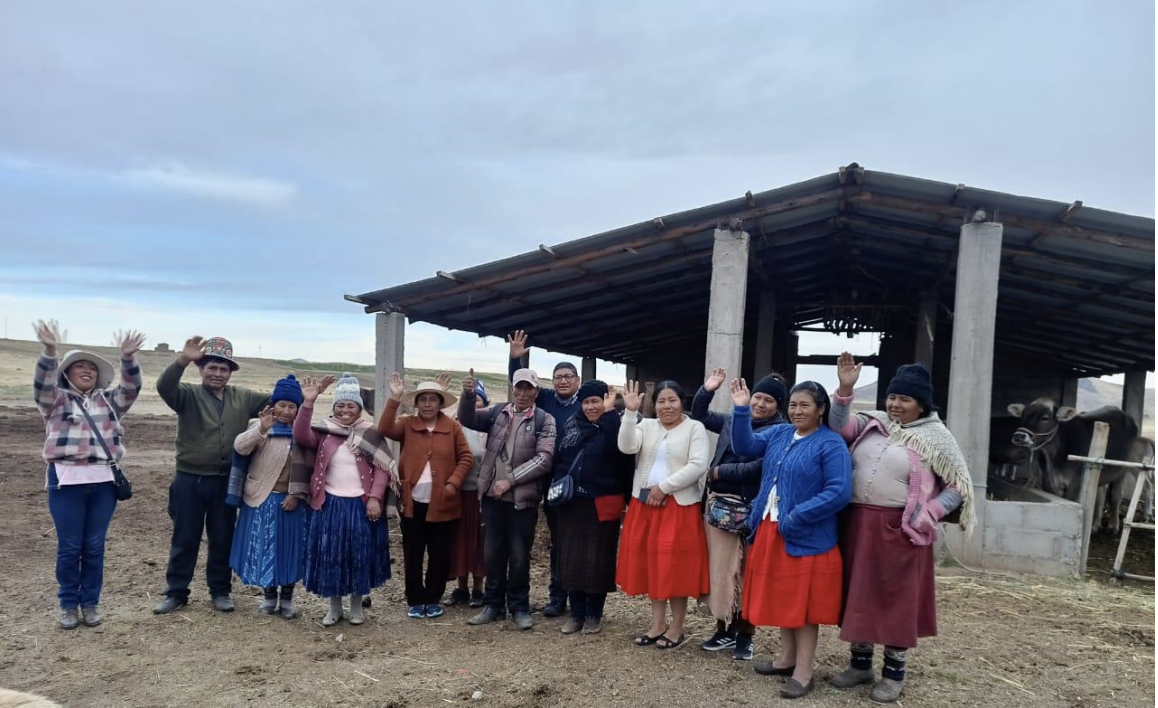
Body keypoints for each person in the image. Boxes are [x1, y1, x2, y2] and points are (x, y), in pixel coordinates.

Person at [826, 355, 974, 703]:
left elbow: (957, 487)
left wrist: (928, 514)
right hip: (859, 524)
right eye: (892, 397)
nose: (895, 405)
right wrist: (845, 389)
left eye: (905, 399)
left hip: (901, 530)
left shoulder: (937, 439)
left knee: (896, 600)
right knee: (859, 594)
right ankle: (860, 664)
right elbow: (837, 426)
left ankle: (894, 673)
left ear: (922, 404)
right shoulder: (873, 423)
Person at [731, 378, 852, 699]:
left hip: (806, 535)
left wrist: (799, 514)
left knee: (804, 604)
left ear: (821, 410)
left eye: (805, 405)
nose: (797, 411)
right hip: (771, 529)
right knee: (784, 597)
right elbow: (744, 447)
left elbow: (839, 491)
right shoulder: (781, 433)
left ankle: (804, 669)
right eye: (793, 405)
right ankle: (786, 658)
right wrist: (742, 410)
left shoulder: (830, 444)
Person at [33, 320, 145, 629]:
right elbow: (42, 384)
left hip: (103, 484)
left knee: (94, 547)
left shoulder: (109, 402)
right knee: (70, 547)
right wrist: (50, 351)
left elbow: (132, 388)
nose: (87, 370)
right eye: (79, 366)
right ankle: (68, 604)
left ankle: (90, 603)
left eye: (92, 368)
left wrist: (127, 359)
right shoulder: (56, 401)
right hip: (65, 481)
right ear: (66, 373)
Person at [153, 336, 268, 615]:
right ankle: (176, 592)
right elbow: (164, 387)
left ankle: (220, 591)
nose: (218, 374)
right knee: (185, 538)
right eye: (212, 368)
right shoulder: (186, 395)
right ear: (201, 369)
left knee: (222, 537)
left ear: (230, 373)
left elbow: (278, 400)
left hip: (227, 481)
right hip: (189, 479)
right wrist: (182, 359)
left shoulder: (242, 397)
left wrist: (301, 394)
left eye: (223, 369)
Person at [692, 368, 789, 661]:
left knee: (748, 573)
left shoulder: (780, 431)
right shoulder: (734, 417)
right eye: (757, 397)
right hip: (722, 505)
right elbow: (700, 415)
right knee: (721, 570)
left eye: (768, 401)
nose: (760, 404)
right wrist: (707, 390)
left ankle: (745, 635)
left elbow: (758, 466)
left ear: (778, 406)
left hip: (754, 507)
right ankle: (723, 629)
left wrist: (719, 471)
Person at [458, 367, 556, 630]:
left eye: (529, 388)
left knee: (520, 555)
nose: (523, 393)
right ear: (513, 388)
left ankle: (520, 607)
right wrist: (467, 396)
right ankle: (493, 605)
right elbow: (467, 418)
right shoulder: (497, 412)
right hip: (492, 497)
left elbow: (544, 459)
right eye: (519, 387)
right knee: (493, 553)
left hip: (523, 500)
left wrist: (510, 481)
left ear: (536, 391)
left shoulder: (545, 420)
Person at [616, 379, 710, 650]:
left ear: (682, 402)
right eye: (661, 401)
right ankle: (657, 624)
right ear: (654, 404)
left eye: (672, 400)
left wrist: (664, 488)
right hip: (645, 507)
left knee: (675, 568)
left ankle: (677, 626)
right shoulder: (645, 425)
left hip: (678, 508)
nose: (667, 406)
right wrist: (631, 413)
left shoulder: (695, 428)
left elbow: (698, 465)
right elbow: (626, 447)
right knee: (653, 566)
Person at [295, 374, 395, 626]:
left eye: (351, 406)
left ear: (359, 409)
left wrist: (375, 498)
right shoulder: (323, 432)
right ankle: (334, 607)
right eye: (340, 405)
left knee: (359, 556)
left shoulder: (370, 434)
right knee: (332, 556)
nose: (344, 410)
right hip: (330, 504)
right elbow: (300, 435)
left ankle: (356, 606)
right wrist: (307, 403)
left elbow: (383, 469)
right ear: (333, 408)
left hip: (361, 505)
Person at [378, 372, 473, 619]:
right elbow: (384, 428)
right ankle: (414, 599)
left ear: (440, 403)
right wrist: (395, 398)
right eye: (423, 400)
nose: (428, 404)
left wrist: (453, 484)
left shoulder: (452, 427)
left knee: (440, 554)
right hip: (412, 503)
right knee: (413, 553)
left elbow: (466, 458)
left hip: (444, 503)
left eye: (433, 399)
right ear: (416, 403)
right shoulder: (408, 424)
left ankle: (433, 598)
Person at [507, 330, 580, 618]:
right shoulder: (546, 399)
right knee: (558, 540)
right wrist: (515, 360)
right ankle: (557, 596)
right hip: (552, 483)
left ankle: (580, 597)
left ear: (577, 381)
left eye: (568, 377)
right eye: (558, 377)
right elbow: (521, 385)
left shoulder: (585, 402)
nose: (563, 381)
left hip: (580, 483)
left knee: (579, 541)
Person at [551, 380, 634, 635]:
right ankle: (576, 614)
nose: (590, 407)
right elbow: (560, 460)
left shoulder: (615, 427)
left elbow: (618, 452)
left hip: (603, 503)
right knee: (571, 560)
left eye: (595, 401)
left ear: (605, 402)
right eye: (586, 402)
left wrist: (609, 415)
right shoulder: (572, 427)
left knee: (598, 562)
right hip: (573, 503)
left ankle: (593, 615)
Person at [226, 374, 307, 619]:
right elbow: (240, 447)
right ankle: (269, 597)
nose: (286, 411)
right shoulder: (260, 428)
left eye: (292, 406)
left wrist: (297, 494)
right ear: (272, 406)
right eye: (281, 405)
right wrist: (261, 428)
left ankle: (287, 600)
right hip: (260, 500)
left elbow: (310, 469)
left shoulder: (302, 435)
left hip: (291, 502)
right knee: (265, 549)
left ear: (298, 410)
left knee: (289, 550)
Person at [447, 380, 490, 609]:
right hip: (459, 493)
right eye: (472, 403)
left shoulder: (490, 429)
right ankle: (461, 587)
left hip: (482, 495)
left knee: (480, 542)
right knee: (460, 540)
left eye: (480, 403)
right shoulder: (455, 426)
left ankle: (478, 589)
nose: (476, 408)